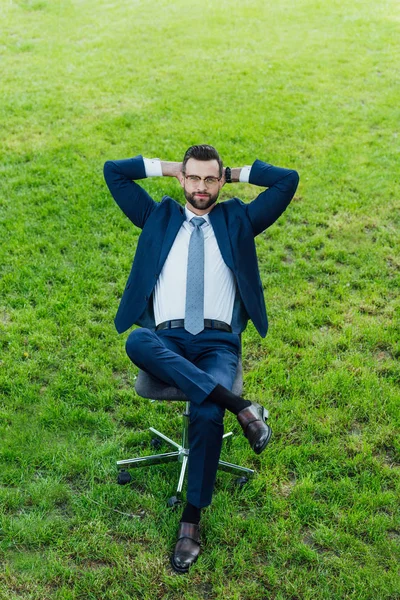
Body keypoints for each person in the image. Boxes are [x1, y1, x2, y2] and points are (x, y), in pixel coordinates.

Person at [103, 145, 299, 573]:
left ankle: (190, 521)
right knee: (137, 343)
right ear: (182, 179)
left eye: (211, 179)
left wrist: (237, 173)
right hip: (166, 339)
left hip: (217, 342)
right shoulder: (159, 216)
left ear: (220, 182)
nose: (202, 188)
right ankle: (243, 410)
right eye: (194, 178)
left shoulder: (238, 220)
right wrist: (171, 167)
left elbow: (288, 180)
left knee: (206, 410)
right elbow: (113, 172)